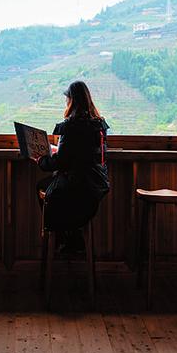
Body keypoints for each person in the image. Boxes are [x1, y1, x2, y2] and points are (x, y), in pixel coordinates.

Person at [34, 81, 110, 252]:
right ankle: (72, 235)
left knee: (42, 187)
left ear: (71, 101)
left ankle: (60, 235)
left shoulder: (71, 126)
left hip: (75, 188)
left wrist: (41, 160)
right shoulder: (99, 125)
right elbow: (84, 154)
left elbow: (60, 162)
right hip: (96, 188)